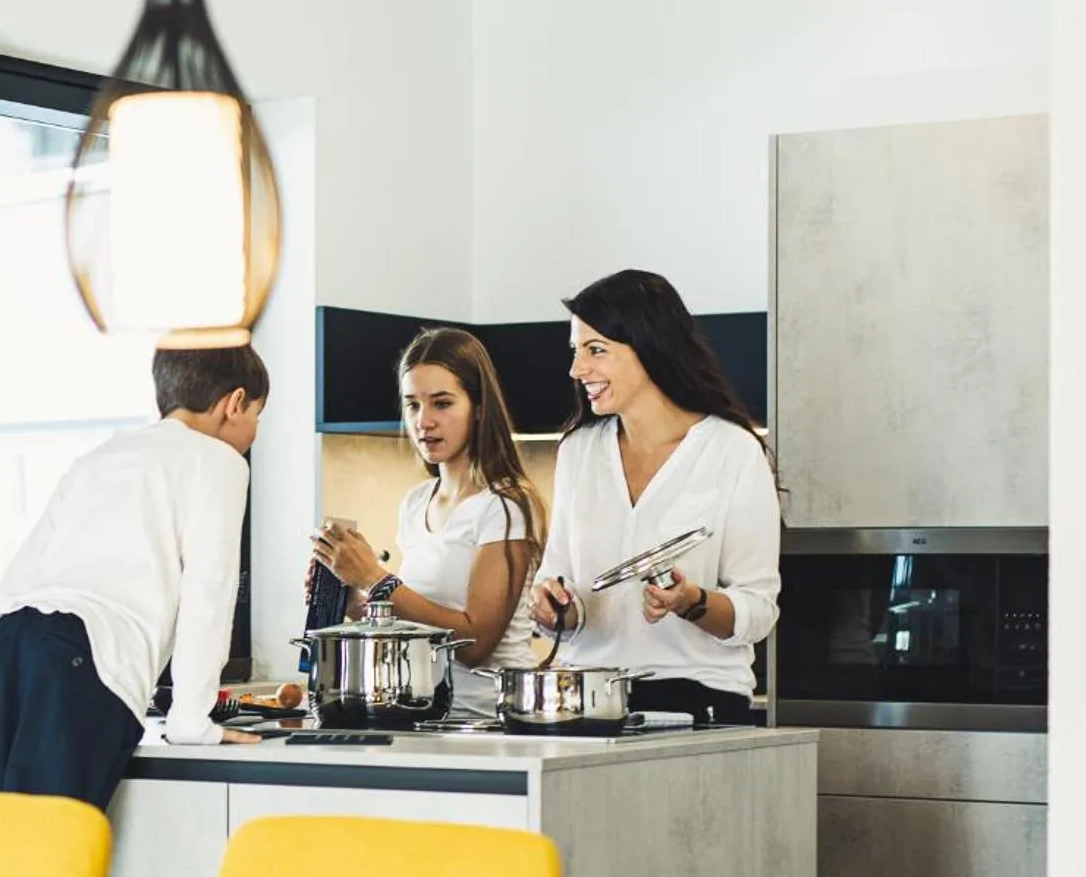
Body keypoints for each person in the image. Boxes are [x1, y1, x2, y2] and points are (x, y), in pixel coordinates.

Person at [0, 345, 268, 811]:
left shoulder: (102, 455)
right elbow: (208, 593)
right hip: (87, 658)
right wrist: (190, 720)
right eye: (257, 415)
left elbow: (24, 569)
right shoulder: (217, 461)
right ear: (235, 402)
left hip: (5, 644)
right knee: (44, 843)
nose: (254, 432)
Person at [528, 269, 781, 725]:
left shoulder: (732, 451)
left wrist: (691, 601)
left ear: (650, 346)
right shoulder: (578, 451)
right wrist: (553, 608)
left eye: (595, 350)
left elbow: (758, 611)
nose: (576, 370)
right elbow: (562, 583)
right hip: (588, 700)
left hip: (698, 700)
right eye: (575, 351)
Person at [310, 327, 545, 709]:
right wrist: (355, 599)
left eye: (442, 403)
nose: (424, 421)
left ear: (479, 407)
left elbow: (474, 645)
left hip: (490, 718)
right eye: (413, 405)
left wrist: (375, 578)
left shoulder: (505, 506)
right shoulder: (416, 502)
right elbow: (414, 626)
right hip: (426, 714)